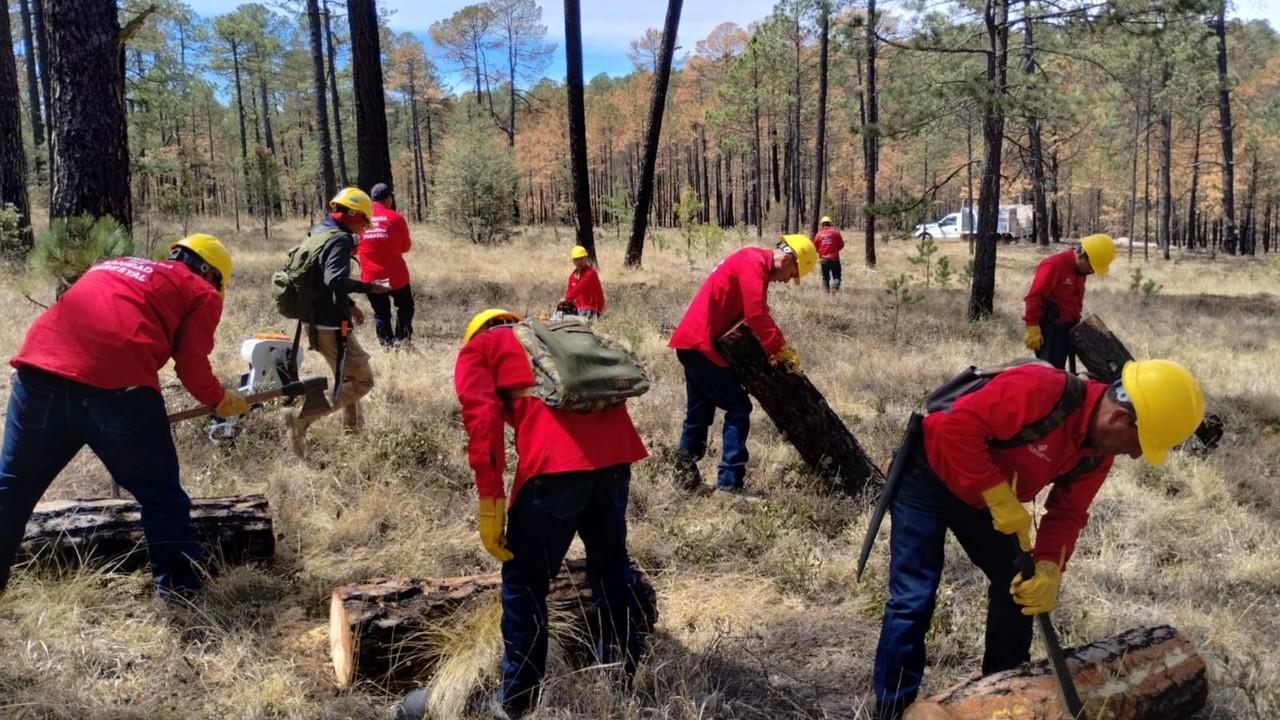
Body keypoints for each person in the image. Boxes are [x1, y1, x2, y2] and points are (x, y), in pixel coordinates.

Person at [872, 359, 1205, 720]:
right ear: (1120, 420)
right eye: (1140, 443)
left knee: (1019, 590)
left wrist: (1049, 567)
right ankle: (891, 709)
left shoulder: (1096, 455)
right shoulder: (1041, 389)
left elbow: (1068, 513)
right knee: (913, 599)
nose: (1137, 453)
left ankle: (1002, 697)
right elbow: (952, 428)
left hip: (988, 499)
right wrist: (998, 496)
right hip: (928, 478)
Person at [0, 235, 248, 599]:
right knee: (161, 495)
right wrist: (220, 399)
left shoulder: (109, 265)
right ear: (210, 272)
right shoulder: (201, 291)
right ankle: (181, 595)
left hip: (38, 376)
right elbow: (192, 365)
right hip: (118, 389)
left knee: (11, 491)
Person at [454, 308, 649, 719]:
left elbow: (483, 424)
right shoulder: (555, 333)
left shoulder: (480, 349)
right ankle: (621, 677)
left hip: (553, 469)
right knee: (612, 570)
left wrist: (491, 505)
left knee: (525, 584)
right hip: (615, 460)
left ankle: (517, 702)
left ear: (477, 332)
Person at [668, 235, 816, 493]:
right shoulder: (753, 262)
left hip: (693, 342)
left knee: (698, 416)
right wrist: (779, 348)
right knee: (738, 407)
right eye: (792, 274)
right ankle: (729, 483)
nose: (787, 281)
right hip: (701, 345)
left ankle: (683, 477)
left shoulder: (753, 262)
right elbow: (756, 313)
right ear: (789, 258)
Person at [284, 187, 389, 458]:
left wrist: (351, 305)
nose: (364, 228)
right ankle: (303, 418)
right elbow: (334, 280)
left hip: (316, 320)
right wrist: (370, 288)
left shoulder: (319, 232)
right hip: (331, 324)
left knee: (346, 379)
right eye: (364, 221)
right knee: (362, 382)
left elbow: (321, 280)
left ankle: (353, 433)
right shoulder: (340, 239)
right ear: (351, 213)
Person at [1023, 233, 1116, 369]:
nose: (1092, 272)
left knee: (1065, 374)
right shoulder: (1054, 265)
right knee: (1050, 373)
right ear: (1082, 255)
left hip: (1070, 328)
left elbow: (1074, 300)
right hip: (1051, 330)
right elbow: (1035, 296)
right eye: (1091, 267)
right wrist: (1032, 326)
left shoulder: (1080, 270)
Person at [359, 182, 415, 348]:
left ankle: (386, 345)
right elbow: (406, 247)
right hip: (396, 277)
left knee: (381, 313)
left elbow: (354, 249)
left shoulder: (360, 221)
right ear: (388, 199)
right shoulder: (396, 218)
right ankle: (401, 338)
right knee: (405, 305)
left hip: (372, 278)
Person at [561, 245, 605, 319]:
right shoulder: (572, 276)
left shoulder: (590, 273)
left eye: (581, 258)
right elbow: (569, 292)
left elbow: (579, 288)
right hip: (578, 308)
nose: (579, 261)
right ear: (573, 261)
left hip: (592, 308)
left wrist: (566, 298)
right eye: (576, 259)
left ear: (586, 258)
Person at [814, 216, 846, 292]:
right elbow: (841, 245)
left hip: (824, 260)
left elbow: (814, 247)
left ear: (822, 224)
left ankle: (826, 294)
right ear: (830, 223)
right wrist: (835, 250)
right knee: (836, 276)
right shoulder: (836, 233)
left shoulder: (818, 235)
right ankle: (835, 289)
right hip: (835, 259)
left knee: (825, 277)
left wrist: (821, 252)